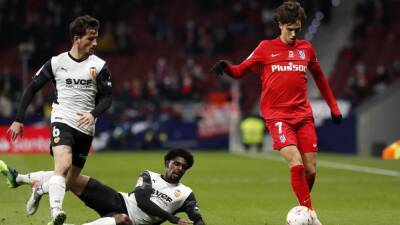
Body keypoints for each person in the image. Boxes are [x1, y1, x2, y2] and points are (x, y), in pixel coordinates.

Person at [211, 1, 342, 224]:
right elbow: (241, 70)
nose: (293, 34)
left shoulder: (306, 49)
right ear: (280, 24)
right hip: (278, 117)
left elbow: (319, 77)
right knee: (296, 163)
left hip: (303, 116)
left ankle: (300, 213)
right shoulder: (265, 48)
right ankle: (310, 215)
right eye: (289, 29)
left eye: (297, 30)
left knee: (310, 171)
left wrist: (334, 107)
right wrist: (226, 67)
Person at [6, 15, 112, 225]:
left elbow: (108, 98)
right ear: (76, 39)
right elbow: (32, 89)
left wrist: (93, 114)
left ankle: (37, 186)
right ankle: (56, 212)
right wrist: (19, 119)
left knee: (68, 180)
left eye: (96, 38)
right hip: (62, 120)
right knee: (62, 166)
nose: (95, 43)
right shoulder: (57, 63)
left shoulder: (99, 66)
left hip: (86, 127)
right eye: (90, 38)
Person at [0, 148, 206, 225]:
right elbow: (142, 201)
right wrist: (173, 219)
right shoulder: (149, 176)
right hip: (118, 200)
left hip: (130, 222)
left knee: (122, 220)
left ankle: (35, 186)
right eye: (176, 164)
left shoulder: (185, 194)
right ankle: (21, 179)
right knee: (71, 175)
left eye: (183, 167)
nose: (179, 168)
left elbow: (197, 219)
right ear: (167, 164)